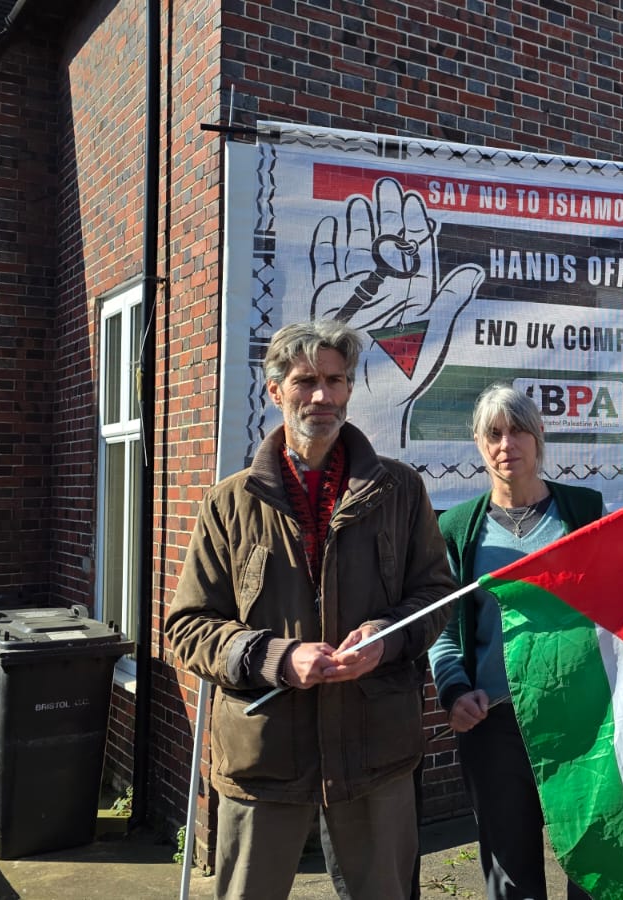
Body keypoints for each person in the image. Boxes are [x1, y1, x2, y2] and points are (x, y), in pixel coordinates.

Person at [166, 319, 455, 900]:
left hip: (375, 749)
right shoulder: (231, 502)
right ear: (275, 391)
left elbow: (436, 597)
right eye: (304, 382)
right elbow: (187, 628)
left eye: (335, 380)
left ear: (349, 388)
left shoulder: (400, 490)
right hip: (263, 754)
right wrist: (275, 656)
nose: (321, 396)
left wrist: (387, 637)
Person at [429, 384, 605, 900]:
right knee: (510, 872)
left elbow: (615, 606)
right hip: (495, 725)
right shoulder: (460, 528)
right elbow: (443, 629)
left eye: (519, 429)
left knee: (595, 857)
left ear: (540, 435)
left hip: (582, 720)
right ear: (480, 445)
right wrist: (453, 691)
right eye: (494, 434)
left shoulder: (583, 511)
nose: (508, 444)